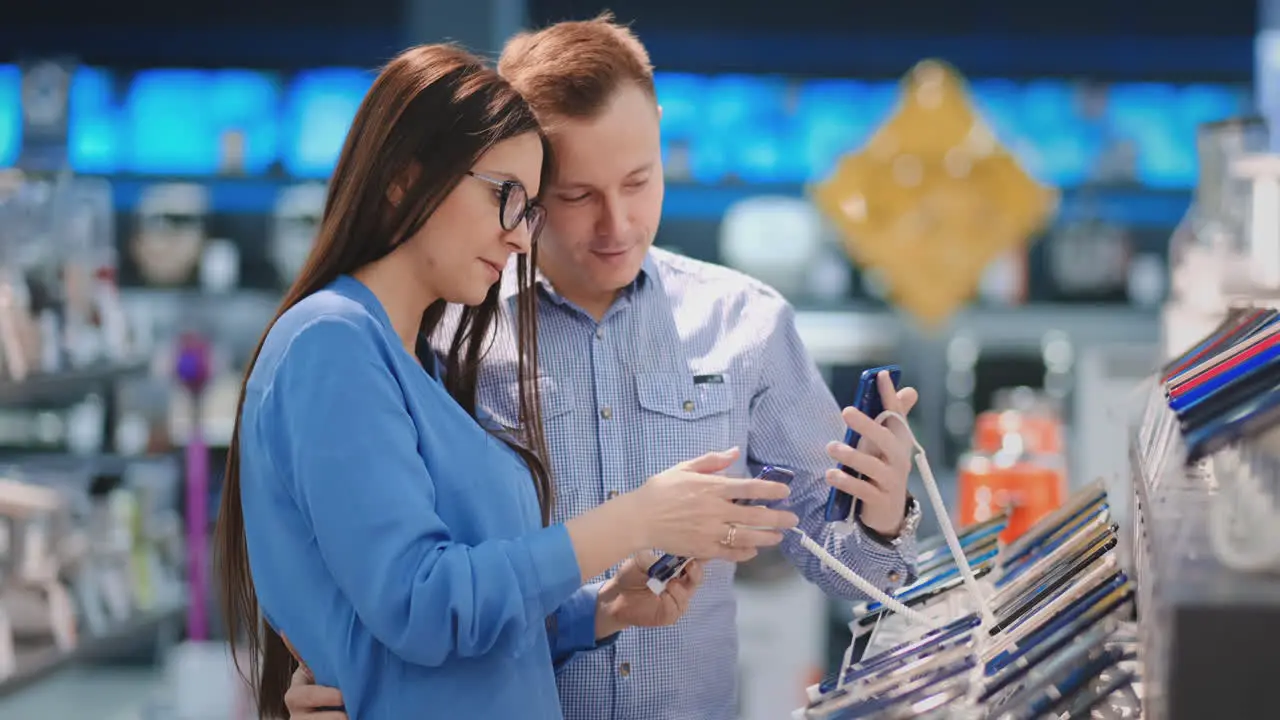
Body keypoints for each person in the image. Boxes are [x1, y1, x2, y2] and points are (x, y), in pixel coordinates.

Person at [285, 16, 924, 720]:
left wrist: (883, 516)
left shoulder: (748, 323)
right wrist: (336, 677)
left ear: (658, 132)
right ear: (521, 181)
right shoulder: (448, 334)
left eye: (639, 182)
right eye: (577, 197)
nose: (616, 225)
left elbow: (855, 572)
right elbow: (404, 583)